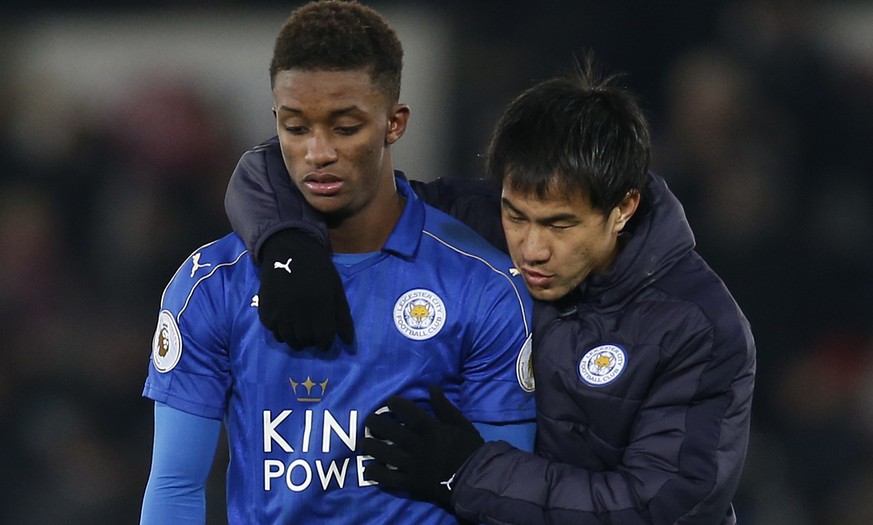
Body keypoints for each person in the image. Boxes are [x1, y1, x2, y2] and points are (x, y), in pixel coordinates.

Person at [224, 56, 756, 524]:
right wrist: (287, 246)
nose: (531, 248)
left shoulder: (696, 327)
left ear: (623, 208)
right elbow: (277, 166)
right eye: (516, 215)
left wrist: (467, 471)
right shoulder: (472, 224)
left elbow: (662, 507)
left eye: (560, 225)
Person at [140, 2, 536, 524]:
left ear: (394, 124)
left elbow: (506, 501)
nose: (318, 152)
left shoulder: (483, 286)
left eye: (345, 128)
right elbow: (175, 485)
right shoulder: (212, 285)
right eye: (296, 128)